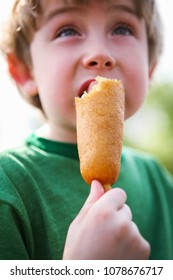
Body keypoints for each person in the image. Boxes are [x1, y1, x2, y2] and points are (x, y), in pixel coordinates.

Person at [0, 0, 172, 260]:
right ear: (25, 72)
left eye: (123, 29)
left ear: (150, 68)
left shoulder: (159, 181)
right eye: (67, 31)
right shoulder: (9, 186)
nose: (100, 53)